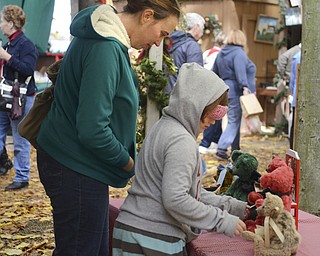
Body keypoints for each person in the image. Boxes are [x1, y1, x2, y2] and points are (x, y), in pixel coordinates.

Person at [36, 1, 181, 255]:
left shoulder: (105, 37)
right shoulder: (105, 46)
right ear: (147, 16)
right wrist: (127, 163)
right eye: (162, 33)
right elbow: (93, 129)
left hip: (78, 163)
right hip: (75, 165)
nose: (159, 43)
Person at [113, 63, 247, 255]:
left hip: (131, 230)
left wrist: (234, 207)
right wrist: (221, 220)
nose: (215, 120)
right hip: (155, 238)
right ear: (196, 104)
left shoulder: (163, 127)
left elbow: (188, 192)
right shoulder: (181, 141)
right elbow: (176, 199)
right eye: (214, 111)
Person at [0, 5, 38, 190]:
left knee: (19, 138)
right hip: (6, 97)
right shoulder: (8, 43)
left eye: (2, 21)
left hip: (20, 100)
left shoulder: (26, 45)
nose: (0, 25)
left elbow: (28, 69)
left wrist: (6, 56)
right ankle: (5, 162)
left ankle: (22, 177)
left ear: (11, 23)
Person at [212, 29, 256, 160]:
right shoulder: (239, 53)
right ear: (241, 39)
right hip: (236, 90)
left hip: (224, 90)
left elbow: (214, 72)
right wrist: (245, 87)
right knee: (233, 121)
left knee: (234, 120)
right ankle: (221, 148)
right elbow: (240, 73)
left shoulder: (221, 53)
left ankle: (235, 150)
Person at [199, 31, 226, 154]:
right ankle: (205, 142)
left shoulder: (207, 52)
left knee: (216, 117)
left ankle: (215, 141)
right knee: (212, 116)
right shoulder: (221, 55)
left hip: (204, 86)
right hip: (215, 87)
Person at [166, 12, 205, 92]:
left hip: (164, 92)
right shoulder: (192, 46)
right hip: (180, 96)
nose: (202, 33)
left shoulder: (169, 41)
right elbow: (196, 77)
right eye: (202, 29)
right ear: (196, 27)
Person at [274, 43, 301, 126]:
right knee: (289, 110)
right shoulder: (296, 53)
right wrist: (284, 76)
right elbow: (282, 58)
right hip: (292, 81)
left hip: (292, 81)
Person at [289, 50, 301, 149]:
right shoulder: (298, 57)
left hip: (296, 96)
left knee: (294, 126)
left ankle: (292, 150)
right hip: (298, 96)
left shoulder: (297, 57)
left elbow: (292, 81)